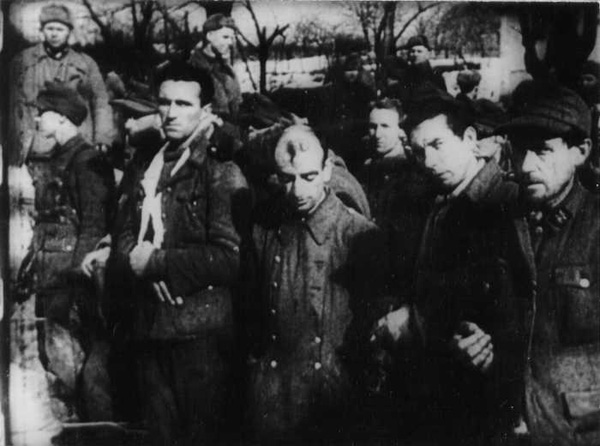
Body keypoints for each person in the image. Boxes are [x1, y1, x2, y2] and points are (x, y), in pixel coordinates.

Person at [113, 61, 250, 446]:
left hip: (200, 337)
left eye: (183, 104)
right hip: (150, 327)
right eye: (164, 102)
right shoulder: (148, 163)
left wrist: (157, 263)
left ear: (205, 110)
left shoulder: (220, 171)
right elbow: (123, 229)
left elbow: (230, 257)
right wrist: (138, 262)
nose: (171, 113)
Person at [378, 90, 523, 445]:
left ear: (470, 139)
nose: (428, 161)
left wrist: (416, 323)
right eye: (419, 151)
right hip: (444, 390)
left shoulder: (503, 205)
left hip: (486, 399)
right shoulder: (440, 199)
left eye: (438, 144)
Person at [243, 125, 391, 444]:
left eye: (308, 177)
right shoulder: (263, 226)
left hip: (330, 403)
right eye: (287, 178)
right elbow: (251, 310)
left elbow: (374, 333)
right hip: (271, 397)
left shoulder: (358, 236)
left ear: (326, 171)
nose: (297, 191)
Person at [498, 82, 600, 446]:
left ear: (581, 151)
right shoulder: (501, 223)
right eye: (519, 149)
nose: (526, 165)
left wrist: (564, 413)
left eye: (542, 150)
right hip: (508, 426)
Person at [25, 81, 115, 421]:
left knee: (77, 362)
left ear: (62, 117)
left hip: (71, 280)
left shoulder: (87, 160)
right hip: (51, 275)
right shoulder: (59, 158)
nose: (37, 119)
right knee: (56, 359)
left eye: (43, 113)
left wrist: (78, 277)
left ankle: (90, 429)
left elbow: (94, 222)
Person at [8, 3, 113, 166]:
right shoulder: (23, 61)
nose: (54, 34)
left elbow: (100, 101)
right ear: (42, 30)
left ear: (69, 32)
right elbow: (11, 105)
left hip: (76, 145)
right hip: (35, 148)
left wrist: (102, 137)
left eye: (60, 29)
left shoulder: (86, 63)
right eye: (50, 28)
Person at [357, 98, 436, 298]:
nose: (377, 134)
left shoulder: (413, 173)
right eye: (373, 127)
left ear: (401, 131)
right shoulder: (368, 167)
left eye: (385, 126)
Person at [188, 13, 241, 126]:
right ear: (209, 36)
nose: (230, 43)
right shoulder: (192, 68)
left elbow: (236, 105)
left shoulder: (227, 69)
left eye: (232, 38)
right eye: (225, 37)